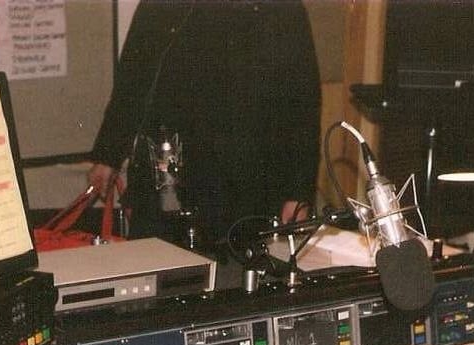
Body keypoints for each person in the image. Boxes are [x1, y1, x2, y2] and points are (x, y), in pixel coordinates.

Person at [88, 0, 322, 249]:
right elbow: (132, 80)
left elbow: (303, 105)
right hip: (168, 176)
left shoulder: (281, 8)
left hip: (246, 183)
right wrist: (108, 155)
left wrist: (298, 193)